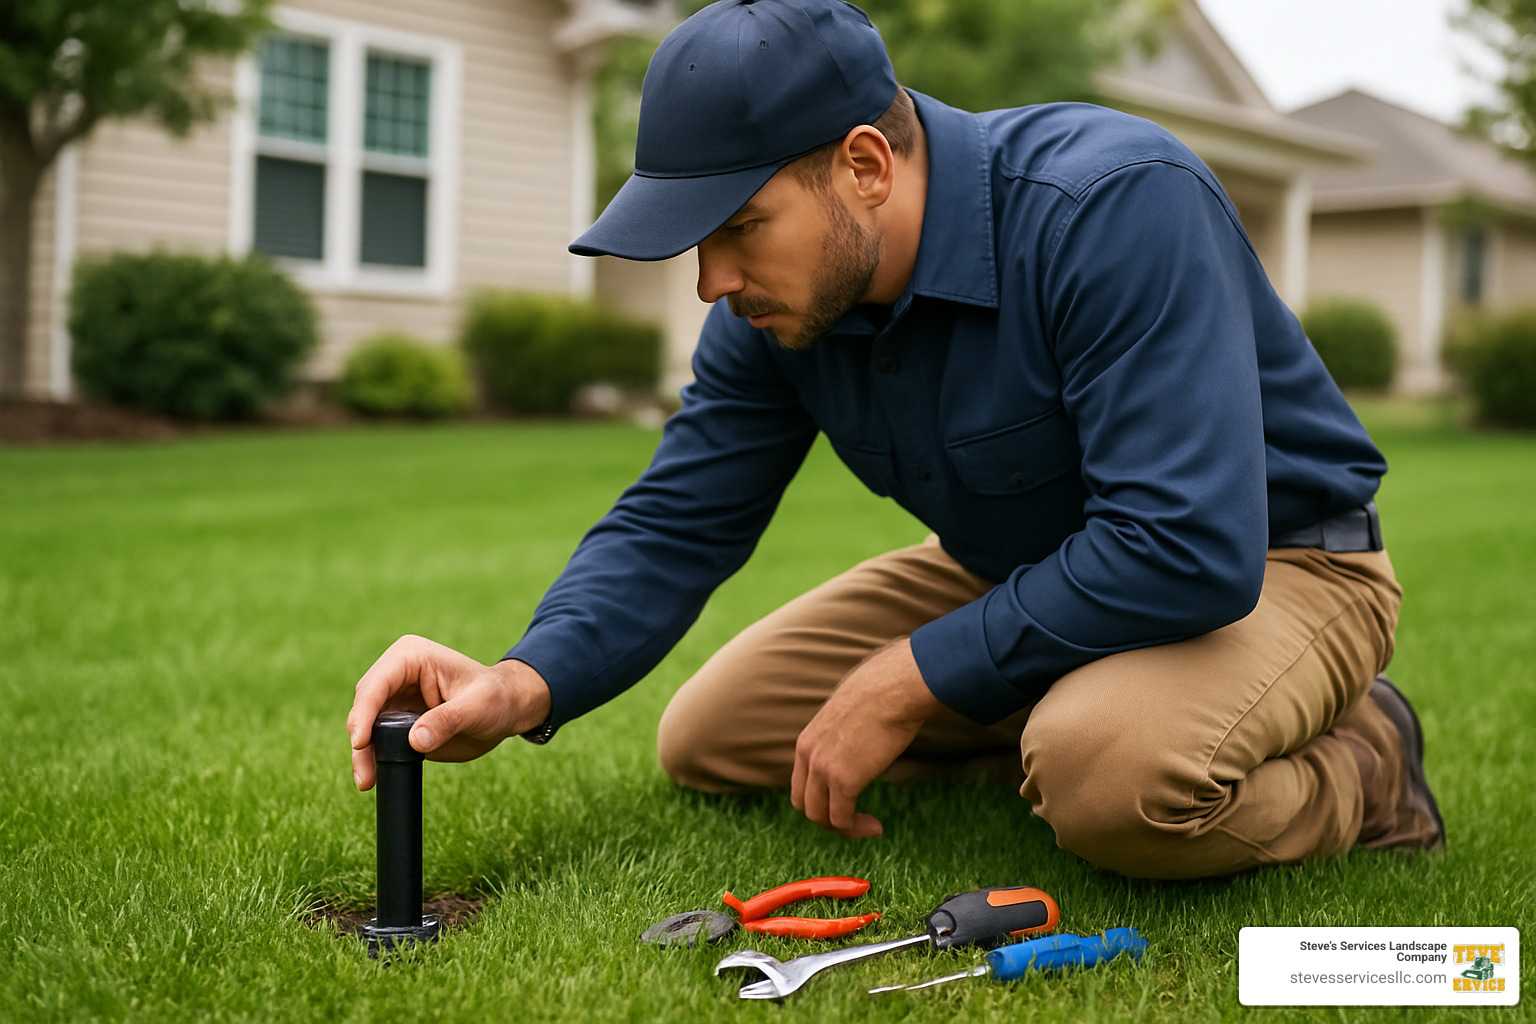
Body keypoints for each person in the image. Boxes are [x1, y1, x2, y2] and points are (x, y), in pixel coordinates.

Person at [348, 0, 1444, 878]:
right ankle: (1042, 731)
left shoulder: (1109, 204)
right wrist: (525, 678)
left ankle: (1365, 764)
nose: (711, 281)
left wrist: (909, 679)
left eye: (739, 228)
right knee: (715, 738)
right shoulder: (777, 311)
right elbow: (679, 520)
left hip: (1278, 563)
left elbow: (1186, 543)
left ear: (866, 165)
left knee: (1112, 777)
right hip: (1023, 566)